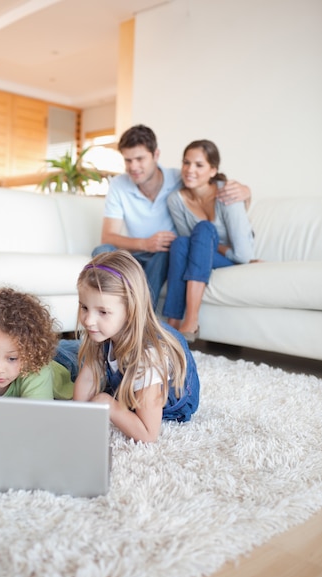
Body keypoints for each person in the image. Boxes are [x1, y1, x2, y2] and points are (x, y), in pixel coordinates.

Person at [92, 124, 251, 309]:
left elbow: (210, 185)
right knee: (102, 250)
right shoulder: (119, 185)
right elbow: (108, 236)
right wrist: (145, 244)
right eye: (128, 160)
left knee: (167, 251)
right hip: (133, 256)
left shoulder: (180, 178)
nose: (133, 167)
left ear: (156, 155)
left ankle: (142, 316)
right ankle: (107, 313)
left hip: (163, 256)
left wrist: (247, 192)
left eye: (139, 159)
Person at [73, 250, 200, 443]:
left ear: (131, 309)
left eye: (103, 312)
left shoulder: (149, 356)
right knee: (66, 355)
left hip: (172, 402)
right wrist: (75, 416)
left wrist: (107, 403)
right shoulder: (102, 330)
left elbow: (149, 434)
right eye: (84, 307)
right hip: (130, 370)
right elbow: (88, 378)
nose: (88, 320)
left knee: (70, 362)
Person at [163, 139, 256, 342]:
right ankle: (172, 324)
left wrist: (216, 247)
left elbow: (243, 255)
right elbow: (189, 244)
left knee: (204, 229)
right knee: (179, 243)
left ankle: (192, 319)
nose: (189, 170)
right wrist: (206, 246)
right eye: (186, 163)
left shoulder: (228, 194)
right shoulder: (175, 200)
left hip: (232, 258)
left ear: (213, 170)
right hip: (199, 255)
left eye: (199, 165)